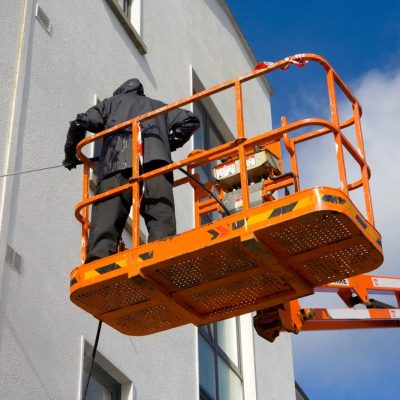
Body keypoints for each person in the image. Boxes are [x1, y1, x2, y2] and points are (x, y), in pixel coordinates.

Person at [63, 78, 199, 263]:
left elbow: (80, 123)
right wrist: (166, 144)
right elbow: (191, 120)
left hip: (116, 164)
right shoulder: (158, 107)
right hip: (156, 163)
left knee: (107, 218)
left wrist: (70, 155)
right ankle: (161, 256)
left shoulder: (112, 103)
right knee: (161, 217)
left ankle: (98, 263)